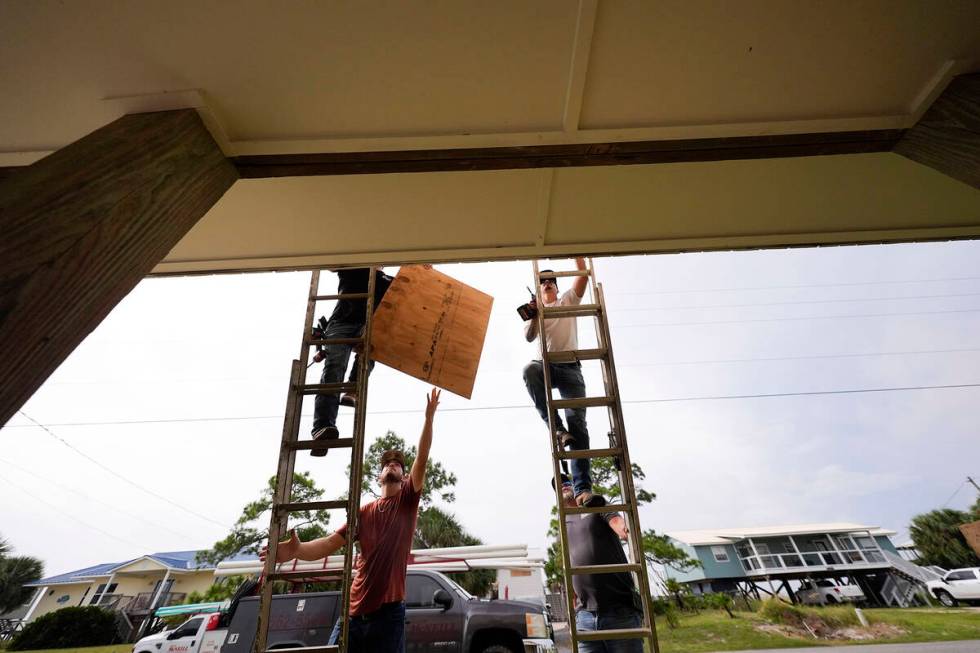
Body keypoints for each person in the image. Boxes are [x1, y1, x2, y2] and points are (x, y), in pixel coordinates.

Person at [262, 388, 441, 653]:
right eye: (386, 463)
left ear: (404, 477)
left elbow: (422, 459)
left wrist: (428, 419)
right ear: (378, 477)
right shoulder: (364, 512)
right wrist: (296, 551)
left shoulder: (406, 501)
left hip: (388, 616)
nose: (392, 464)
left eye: (398, 464)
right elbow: (329, 543)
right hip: (353, 614)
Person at [523, 257, 598, 505]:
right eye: (542, 282)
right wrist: (534, 314)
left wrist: (577, 257)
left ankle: (582, 489)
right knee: (529, 371)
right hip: (545, 364)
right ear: (538, 290)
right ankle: (556, 429)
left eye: (551, 282)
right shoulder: (535, 311)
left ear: (556, 287)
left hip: (570, 367)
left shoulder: (567, 300)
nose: (547, 284)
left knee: (578, 426)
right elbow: (529, 337)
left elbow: (582, 277)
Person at [554, 474, 643, 653]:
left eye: (567, 482)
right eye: (558, 485)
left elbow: (615, 520)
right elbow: (568, 570)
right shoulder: (563, 525)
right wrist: (573, 616)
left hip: (619, 612)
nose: (563, 485)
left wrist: (623, 529)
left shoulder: (595, 505)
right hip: (584, 617)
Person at [311, 267, 394, 456]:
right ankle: (322, 428)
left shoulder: (388, 281)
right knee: (334, 368)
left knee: (375, 344)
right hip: (341, 323)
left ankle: (352, 389)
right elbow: (333, 264)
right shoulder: (354, 267)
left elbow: (413, 288)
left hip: (367, 326)